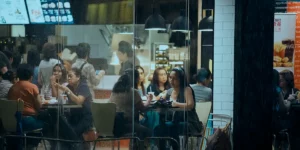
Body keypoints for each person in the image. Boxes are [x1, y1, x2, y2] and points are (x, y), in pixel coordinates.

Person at [165, 67, 203, 149]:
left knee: (170, 127)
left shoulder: (186, 89)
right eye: (170, 77)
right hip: (174, 120)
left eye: (174, 78)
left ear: (181, 79)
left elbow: (190, 105)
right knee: (159, 128)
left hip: (189, 121)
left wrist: (176, 104)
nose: (171, 81)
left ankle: (176, 148)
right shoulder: (169, 91)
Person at [55, 68, 93, 149]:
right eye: (68, 76)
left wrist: (68, 91)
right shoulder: (69, 86)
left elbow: (79, 101)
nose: (68, 78)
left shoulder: (83, 86)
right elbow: (60, 98)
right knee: (61, 129)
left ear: (78, 77)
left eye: (70, 76)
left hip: (85, 117)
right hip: (74, 116)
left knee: (72, 132)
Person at [109, 68, 152, 140]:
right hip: (123, 124)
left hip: (111, 124)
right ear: (135, 79)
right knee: (148, 131)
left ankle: (135, 145)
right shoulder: (133, 92)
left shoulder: (114, 91)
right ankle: (139, 146)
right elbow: (142, 108)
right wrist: (149, 100)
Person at [8, 64, 43, 131]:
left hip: (13, 121)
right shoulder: (32, 87)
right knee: (47, 123)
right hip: (28, 121)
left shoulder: (12, 87)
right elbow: (39, 106)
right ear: (31, 76)